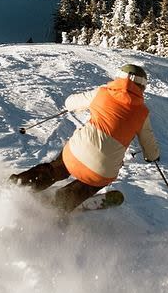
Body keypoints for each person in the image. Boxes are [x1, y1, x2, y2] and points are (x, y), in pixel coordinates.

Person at [10, 63, 160, 211]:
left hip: (74, 155)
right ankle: (63, 201)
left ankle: (20, 184)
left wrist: (87, 104)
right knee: (93, 181)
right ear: (142, 87)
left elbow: (70, 102)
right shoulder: (142, 113)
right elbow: (149, 144)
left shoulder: (102, 93)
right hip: (102, 171)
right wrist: (152, 156)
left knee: (59, 167)